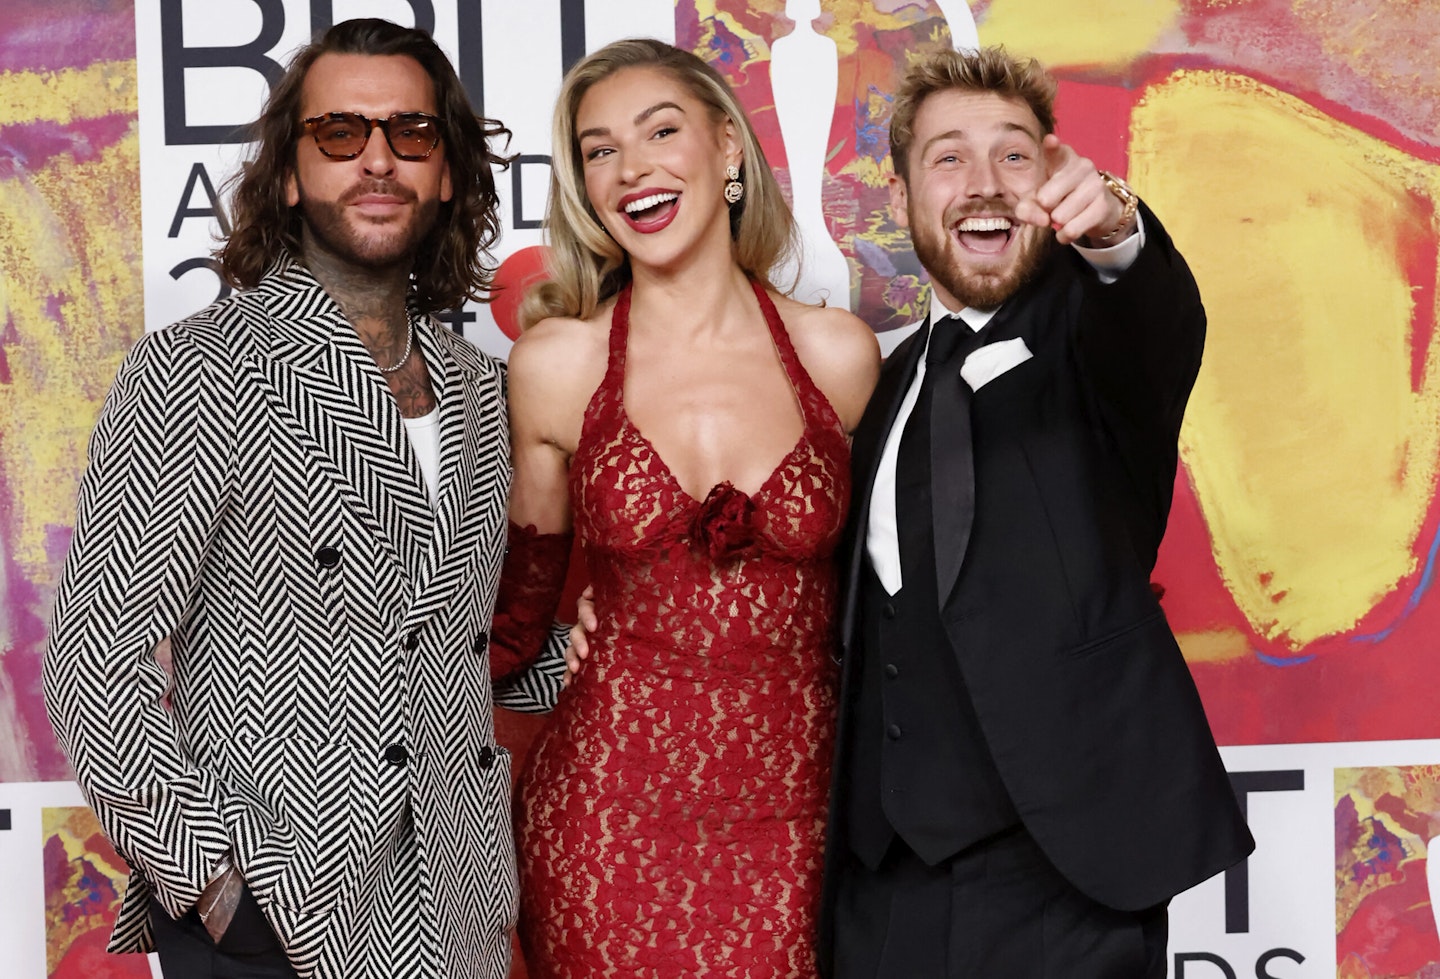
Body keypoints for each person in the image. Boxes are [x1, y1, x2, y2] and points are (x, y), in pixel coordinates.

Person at [44, 18, 528, 979]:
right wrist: (218, 890)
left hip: (456, 908)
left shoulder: (480, 386)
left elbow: (458, 638)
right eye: (341, 134)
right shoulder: (198, 368)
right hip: (277, 914)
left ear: (445, 172)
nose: (378, 160)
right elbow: (93, 657)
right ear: (293, 172)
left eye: (412, 135)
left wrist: (584, 642)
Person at [818, 46, 1255, 978]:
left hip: (1066, 877)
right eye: (948, 158)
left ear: (1053, 180)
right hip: (882, 884)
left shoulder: (1094, 338)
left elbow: (1155, 316)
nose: (983, 185)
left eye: (1013, 156)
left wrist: (1117, 231)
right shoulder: (884, 383)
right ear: (902, 199)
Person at [492, 37, 879, 978]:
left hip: (803, 821)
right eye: (599, 149)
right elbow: (506, 617)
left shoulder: (841, 355)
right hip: (605, 820)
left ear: (730, 151)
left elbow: (898, 599)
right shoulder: (557, 364)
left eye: (660, 131)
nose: (632, 169)